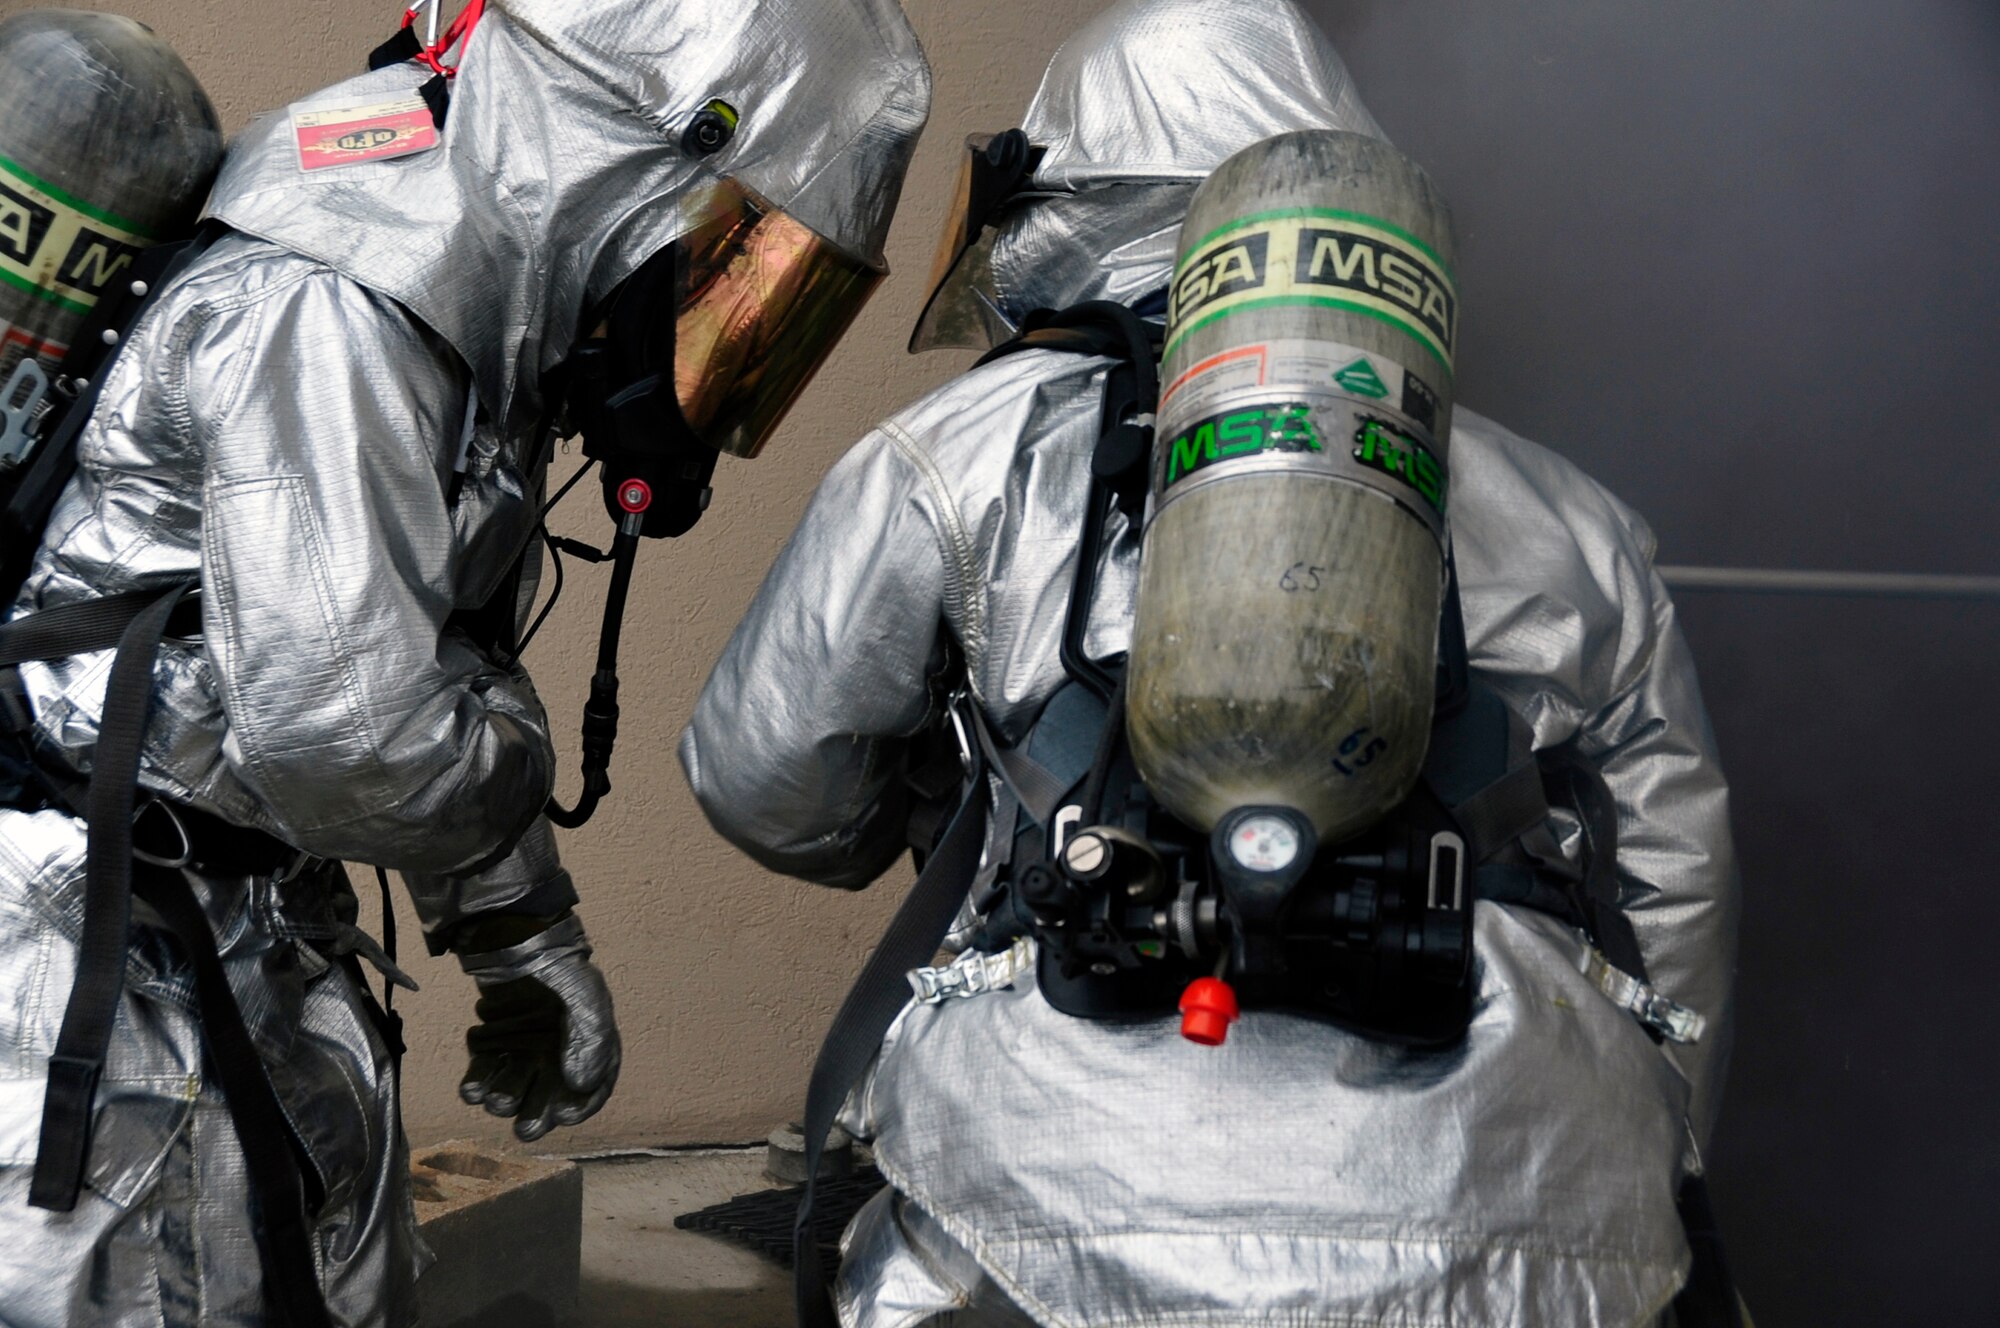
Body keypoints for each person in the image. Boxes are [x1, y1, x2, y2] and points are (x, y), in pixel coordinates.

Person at [680, 1, 1738, 1325]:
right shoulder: (1576, 520)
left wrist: (948, 822)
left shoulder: (956, 455)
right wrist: (1649, 1137)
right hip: (1523, 1226)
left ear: (1078, 198)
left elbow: (756, 770)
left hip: (1053, 1218)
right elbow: (1674, 887)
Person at [0, 0, 931, 1323]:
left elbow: (383, 681)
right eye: (742, 260)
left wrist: (512, 931)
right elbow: (356, 735)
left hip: (198, 937)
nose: (730, 333)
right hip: (80, 997)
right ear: (632, 155)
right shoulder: (333, 302)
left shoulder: (436, 299)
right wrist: (513, 798)